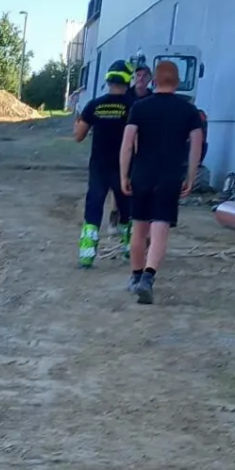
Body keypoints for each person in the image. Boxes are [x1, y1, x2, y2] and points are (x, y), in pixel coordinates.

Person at [120, 59, 205, 304]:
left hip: (142, 175)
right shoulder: (189, 111)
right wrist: (190, 176)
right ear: (177, 83)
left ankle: (135, 277)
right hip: (169, 177)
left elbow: (127, 145)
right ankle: (148, 277)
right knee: (159, 232)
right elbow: (195, 147)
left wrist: (124, 175)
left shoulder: (140, 107)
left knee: (138, 230)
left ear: (154, 81)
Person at [73, 61, 135, 267]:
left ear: (108, 80)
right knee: (127, 210)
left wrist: (78, 122)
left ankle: (86, 255)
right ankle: (130, 252)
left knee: (93, 209)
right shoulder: (133, 106)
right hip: (124, 167)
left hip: (99, 166)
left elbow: (78, 136)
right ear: (128, 80)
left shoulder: (94, 105)